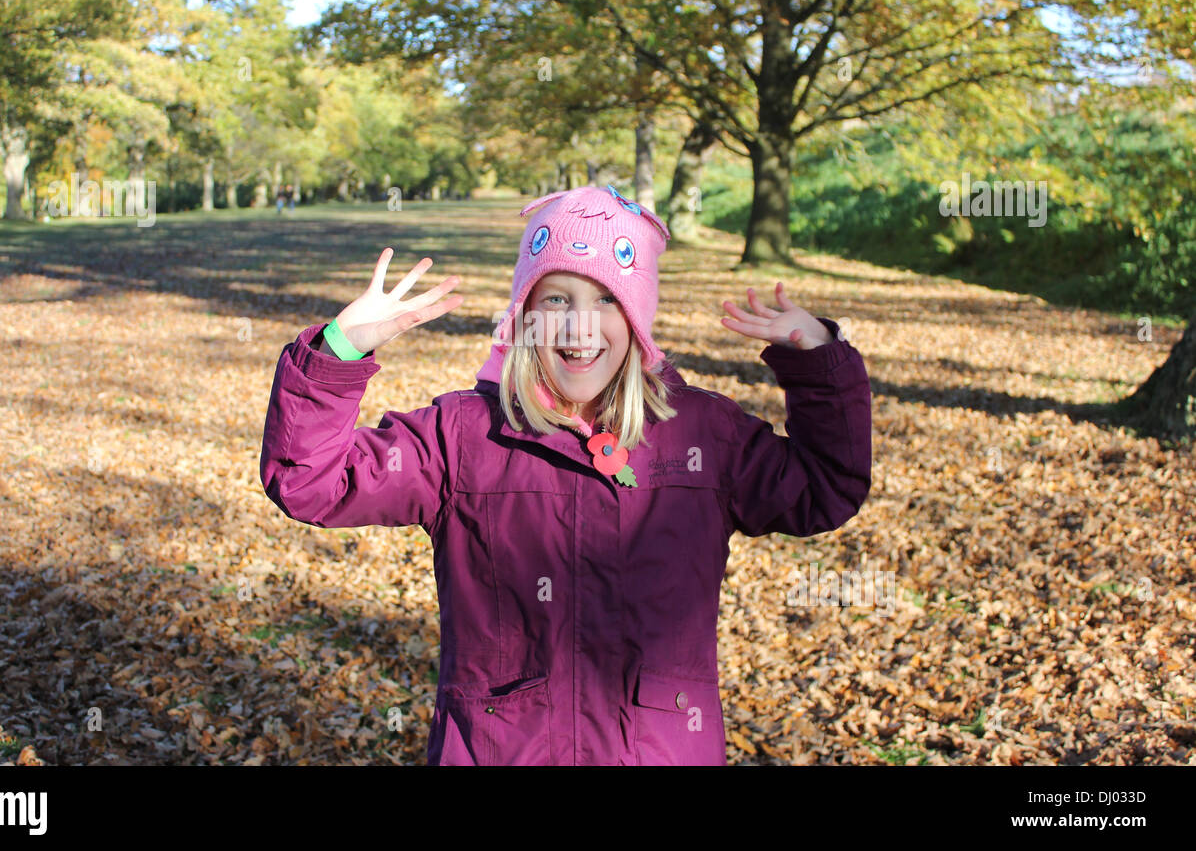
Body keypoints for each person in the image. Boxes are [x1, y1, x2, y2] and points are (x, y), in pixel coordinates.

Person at [259, 184, 872, 765]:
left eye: (607, 299)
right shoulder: (463, 436)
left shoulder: (701, 435)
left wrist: (819, 366)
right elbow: (311, 481)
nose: (580, 326)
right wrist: (339, 349)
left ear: (637, 321)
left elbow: (826, 487)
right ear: (525, 316)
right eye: (557, 299)